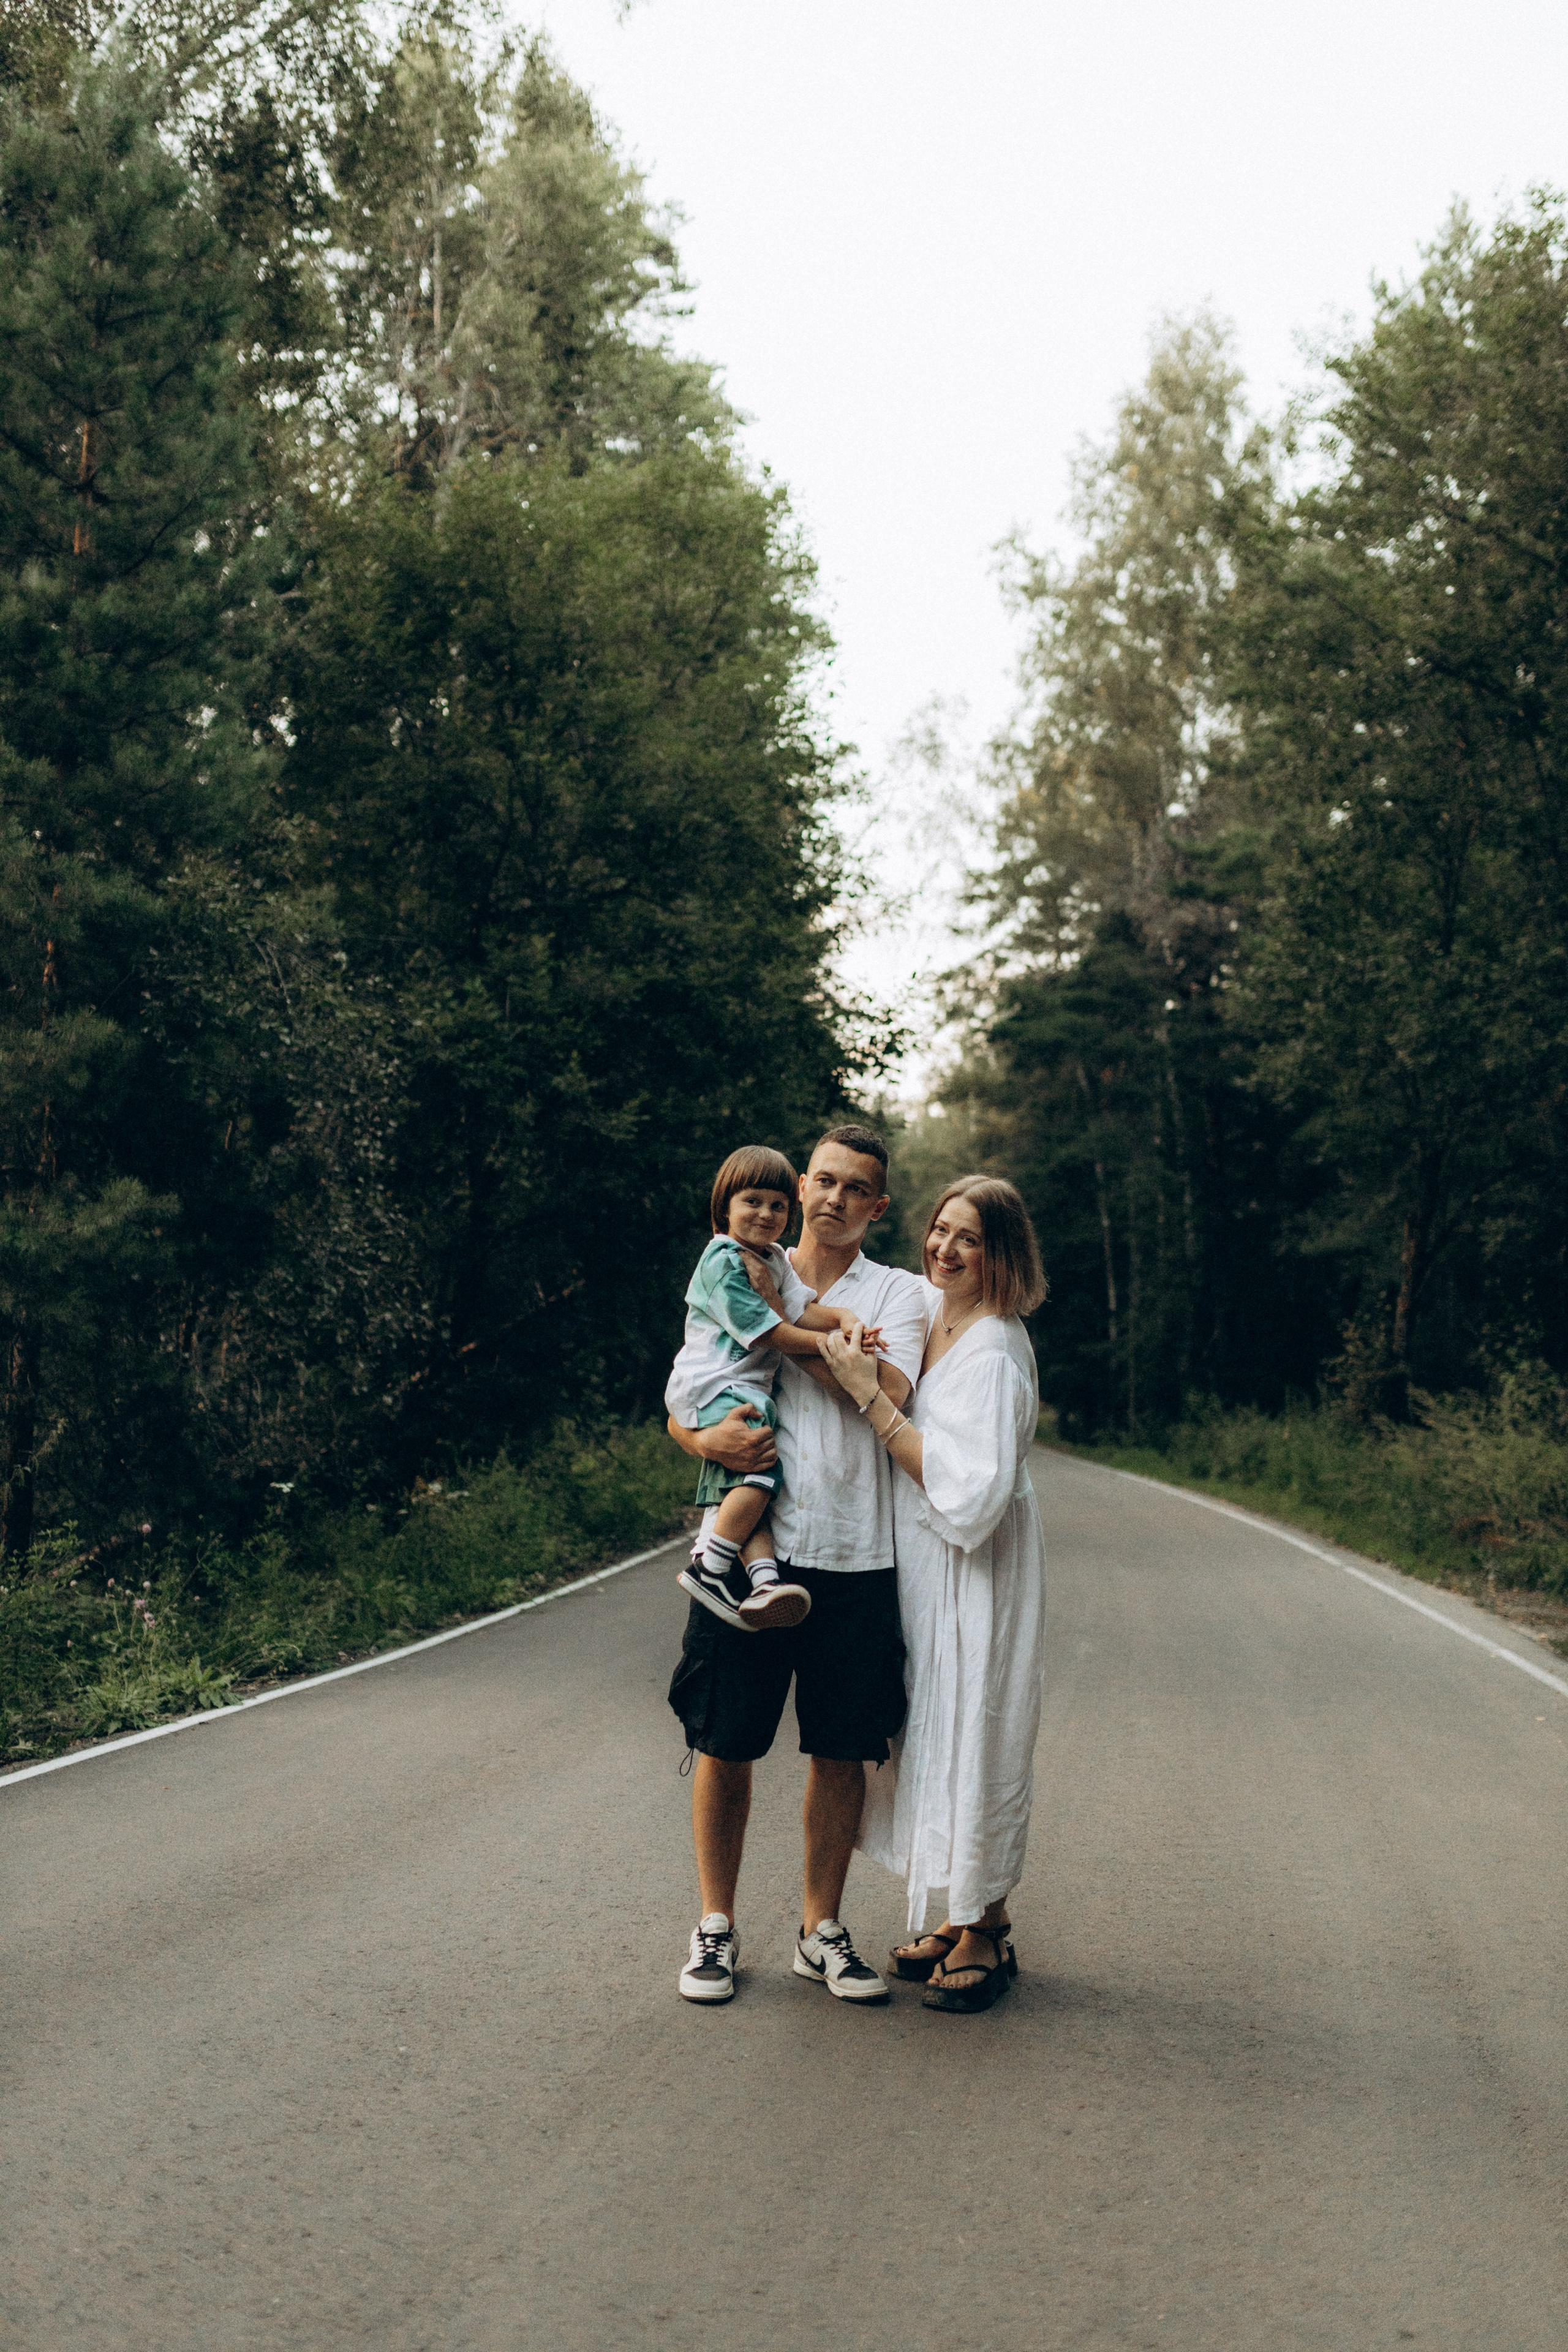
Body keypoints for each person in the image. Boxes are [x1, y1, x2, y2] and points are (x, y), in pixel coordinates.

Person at [665, 1125, 927, 2005]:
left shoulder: (900, 1295)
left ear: (878, 1207)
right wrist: (702, 1436)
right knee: (724, 1739)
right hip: (753, 1547)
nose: (832, 1200)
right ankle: (715, 1928)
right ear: (797, 1186)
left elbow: (893, 1395)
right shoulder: (742, 1263)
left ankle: (823, 1932)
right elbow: (690, 1396)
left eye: (857, 1189)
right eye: (822, 1181)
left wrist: (824, 1350)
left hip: (857, 1553)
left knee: (841, 1749)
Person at [818, 1175, 1048, 2015]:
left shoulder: (994, 1349)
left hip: (978, 1568)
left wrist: (872, 1401)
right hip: (926, 1565)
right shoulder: (935, 1307)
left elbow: (973, 1493)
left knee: (976, 1731)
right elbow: (855, 1280)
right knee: (930, 1730)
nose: (945, 1250)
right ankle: (959, 1915)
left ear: (1003, 1255)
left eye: (970, 1240)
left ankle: (987, 1927)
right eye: (941, 1231)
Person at [665, 1144, 880, 1632]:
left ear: (790, 1209)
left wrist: (847, 1319)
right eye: (752, 1202)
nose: (766, 1213)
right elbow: (773, 1332)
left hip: (739, 1385)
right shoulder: (723, 1260)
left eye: (776, 1205)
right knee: (762, 1470)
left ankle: (763, 1580)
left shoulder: (774, 1260)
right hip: (714, 1382)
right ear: (725, 1207)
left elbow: (800, 1309)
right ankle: (711, 1568)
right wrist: (832, 1345)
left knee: (752, 1478)